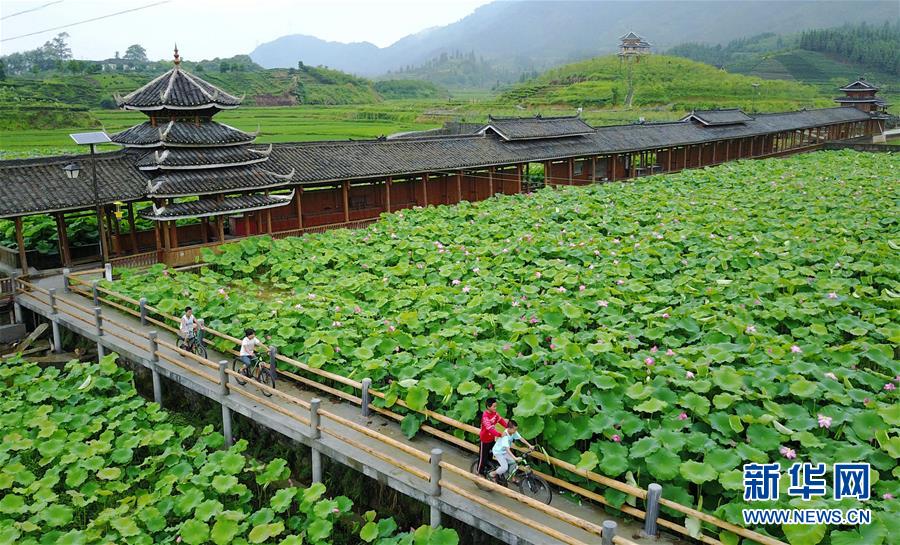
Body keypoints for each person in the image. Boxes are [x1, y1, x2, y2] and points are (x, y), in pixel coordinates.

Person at [478, 397, 507, 476]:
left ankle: (488, 470)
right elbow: (490, 429)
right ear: (488, 407)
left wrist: (508, 427)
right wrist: (500, 435)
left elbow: (500, 420)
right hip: (484, 440)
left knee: (490, 455)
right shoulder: (485, 416)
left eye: (496, 406)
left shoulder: (495, 414)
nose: (495, 408)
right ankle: (479, 472)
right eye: (494, 406)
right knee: (483, 458)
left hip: (491, 439)